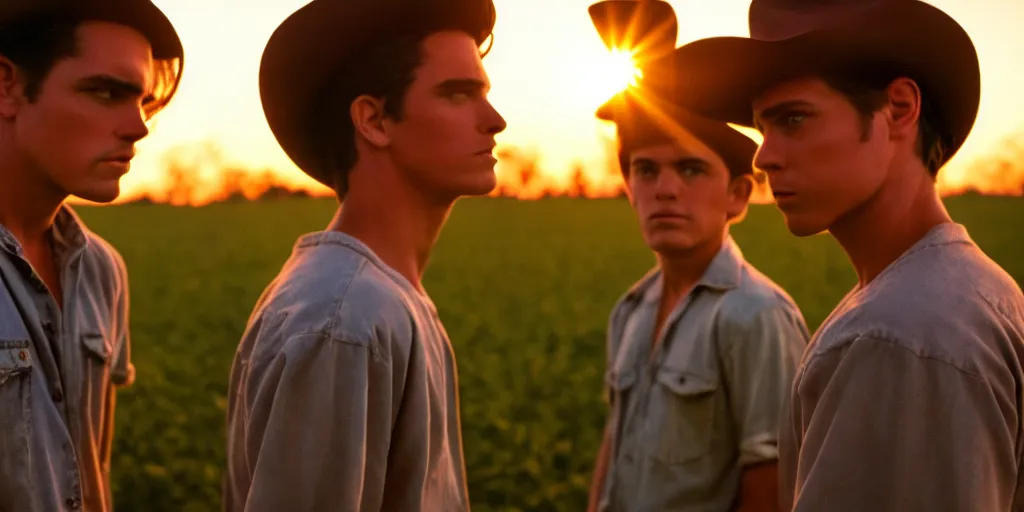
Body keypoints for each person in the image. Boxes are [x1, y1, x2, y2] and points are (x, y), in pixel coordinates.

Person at [663, 0, 1024, 510]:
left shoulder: (899, 334)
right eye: (763, 129)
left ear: (898, 109)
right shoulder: (971, 287)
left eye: (793, 119)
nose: (763, 155)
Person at [223, 0, 506, 510]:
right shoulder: (345, 319)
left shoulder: (379, 301)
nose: (495, 120)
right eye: (458, 95)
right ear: (374, 120)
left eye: (483, 93)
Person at [585, 4, 809, 511]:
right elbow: (614, 452)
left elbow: (771, 483)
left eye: (690, 171)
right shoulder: (631, 309)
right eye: (645, 171)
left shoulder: (757, 316)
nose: (664, 190)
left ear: (737, 195)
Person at [0, 1, 184, 511]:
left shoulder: (101, 270)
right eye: (106, 92)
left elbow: (88, 473)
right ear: (7, 85)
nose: (139, 126)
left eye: (144, 100)